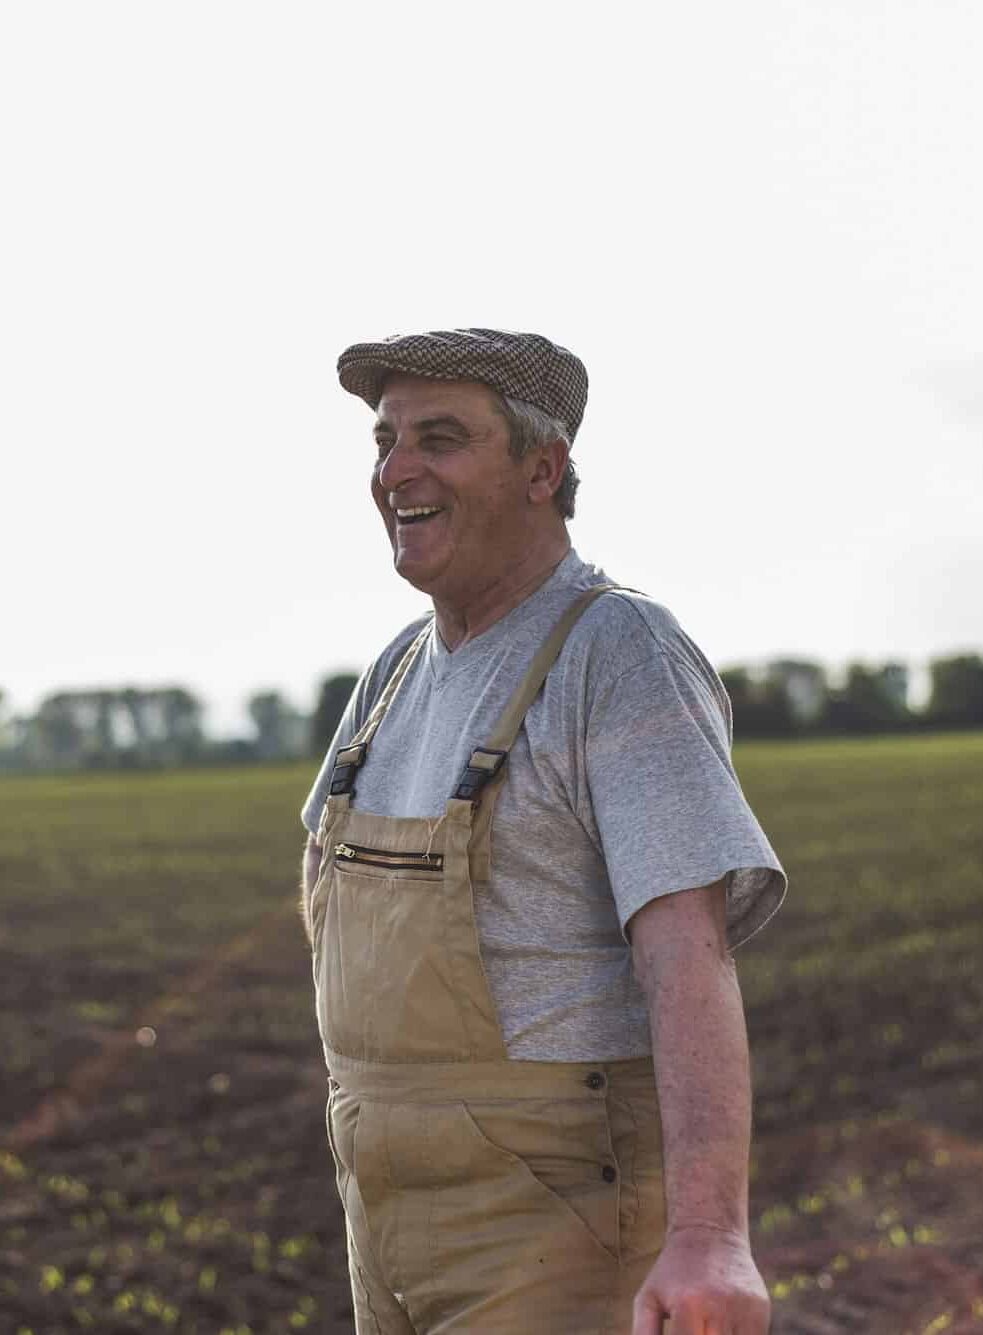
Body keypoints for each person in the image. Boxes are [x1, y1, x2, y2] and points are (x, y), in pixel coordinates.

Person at [300, 328, 787, 1335]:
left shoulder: (615, 652)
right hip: (380, 1211)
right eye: (385, 440)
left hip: (552, 1221)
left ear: (541, 469)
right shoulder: (391, 675)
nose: (397, 471)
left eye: (440, 438)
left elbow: (687, 958)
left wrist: (708, 1236)